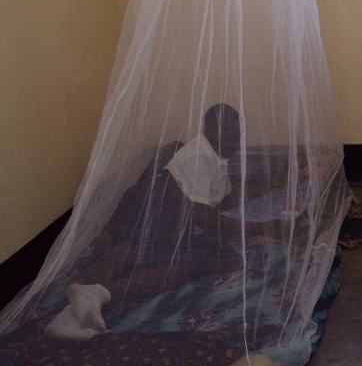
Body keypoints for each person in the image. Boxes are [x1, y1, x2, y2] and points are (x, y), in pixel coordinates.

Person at [45, 104, 263, 340]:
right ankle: (99, 294)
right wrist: (255, 226)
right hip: (162, 205)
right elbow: (201, 215)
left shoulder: (215, 156)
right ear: (211, 131)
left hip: (155, 205)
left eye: (240, 137)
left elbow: (221, 198)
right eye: (232, 137)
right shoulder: (199, 157)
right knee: (188, 262)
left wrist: (265, 186)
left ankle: (72, 313)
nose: (237, 144)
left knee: (135, 248)